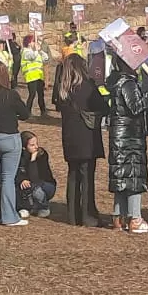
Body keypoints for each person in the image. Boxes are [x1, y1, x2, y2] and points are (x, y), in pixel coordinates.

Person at [54, 53, 107, 228]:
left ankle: (72, 215)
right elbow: (103, 107)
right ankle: (87, 215)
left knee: (73, 175)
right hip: (87, 137)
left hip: (70, 137)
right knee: (87, 176)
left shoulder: (63, 89)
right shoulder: (87, 86)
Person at [104, 58, 148, 234]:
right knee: (133, 176)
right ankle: (135, 218)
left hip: (119, 134)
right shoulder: (128, 83)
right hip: (130, 136)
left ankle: (119, 217)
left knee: (121, 176)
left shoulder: (116, 82)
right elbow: (136, 107)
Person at [0, 59, 32, 227]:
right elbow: (25, 114)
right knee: (8, 178)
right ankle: (9, 216)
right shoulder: (11, 95)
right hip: (9, 138)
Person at [18, 132, 57, 216]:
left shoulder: (42, 155)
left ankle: (44, 207)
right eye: (32, 145)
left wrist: (33, 160)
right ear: (24, 147)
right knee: (20, 186)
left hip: (45, 185)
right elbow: (17, 173)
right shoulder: (20, 157)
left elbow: (34, 178)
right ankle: (27, 206)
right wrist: (22, 179)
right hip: (30, 184)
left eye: (36, 144)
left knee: (35, 189)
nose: (36, 147)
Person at [20, 35, 50, 118]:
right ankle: (27, 112)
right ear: (29, 43)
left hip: (39, 76)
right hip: (31, 76)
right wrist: (36, 50)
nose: (35, 43)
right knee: (32, 94)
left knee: (41, 94)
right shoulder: (25, 52)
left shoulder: (36, 52)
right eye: (33, 41)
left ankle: (43, 111)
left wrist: (40, 50)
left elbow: (46, 58)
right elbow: (32, 57)